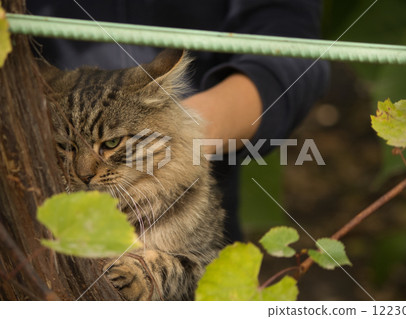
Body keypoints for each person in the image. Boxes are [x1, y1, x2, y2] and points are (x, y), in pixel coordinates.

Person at [28, 0, 329, 242]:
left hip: (188, 186)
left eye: (107, 143)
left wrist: (187, 136)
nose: (85, 171)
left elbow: (292, 51)